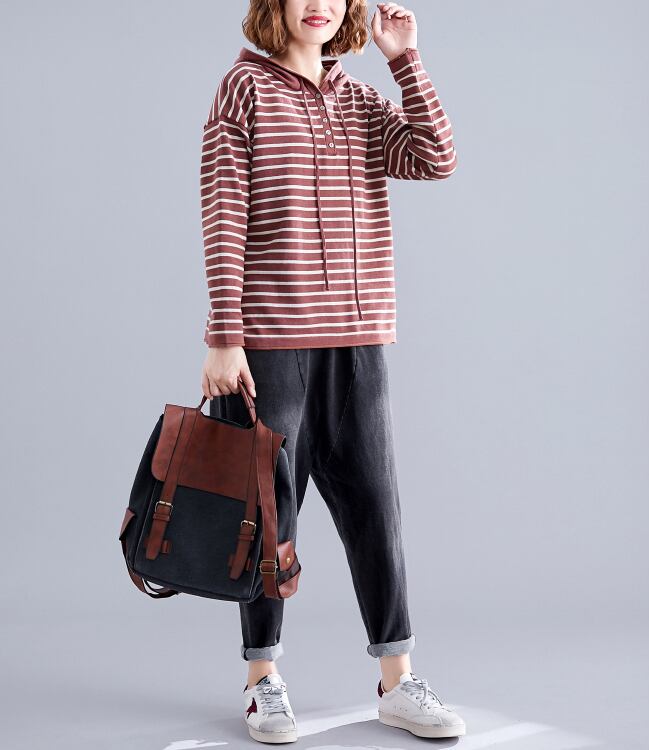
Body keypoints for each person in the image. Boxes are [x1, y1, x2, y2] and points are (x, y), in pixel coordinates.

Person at [199, 0, 464, 742]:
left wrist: (404, 59)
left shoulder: (361, 100)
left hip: (359, 341)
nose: (318, 2)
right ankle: (262, 680)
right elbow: (223, 213)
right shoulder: (243, 89)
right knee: (266, 514)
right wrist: (225, 336)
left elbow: (436, 157)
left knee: (377, 509)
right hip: (270, 344)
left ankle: (398, 681)